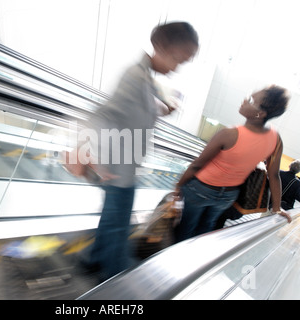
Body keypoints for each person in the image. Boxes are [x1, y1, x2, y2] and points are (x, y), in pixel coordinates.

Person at [81, 22, 199, 281]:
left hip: (123, 166)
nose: (177, 67)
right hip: (116, 169)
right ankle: (114, 282)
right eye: (177, 59)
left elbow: (136, 113)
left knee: (111, 221)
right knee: (118, 226)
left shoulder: (145, 79)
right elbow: (106, 113)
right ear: (161, 47)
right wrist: (83, 150)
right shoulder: (135, 77)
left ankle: (92, 261)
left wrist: (162, 110)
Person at [174, 85, 292, 243]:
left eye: (251, 100)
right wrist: (276, 207)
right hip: (227, 196)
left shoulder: (229, 134)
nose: (244, 101)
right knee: (206, 227)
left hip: (201, 189)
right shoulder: (275, 138)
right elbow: (274, 175)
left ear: (260, 113)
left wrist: (178, 186)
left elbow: (197, 165)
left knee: (186, 227)